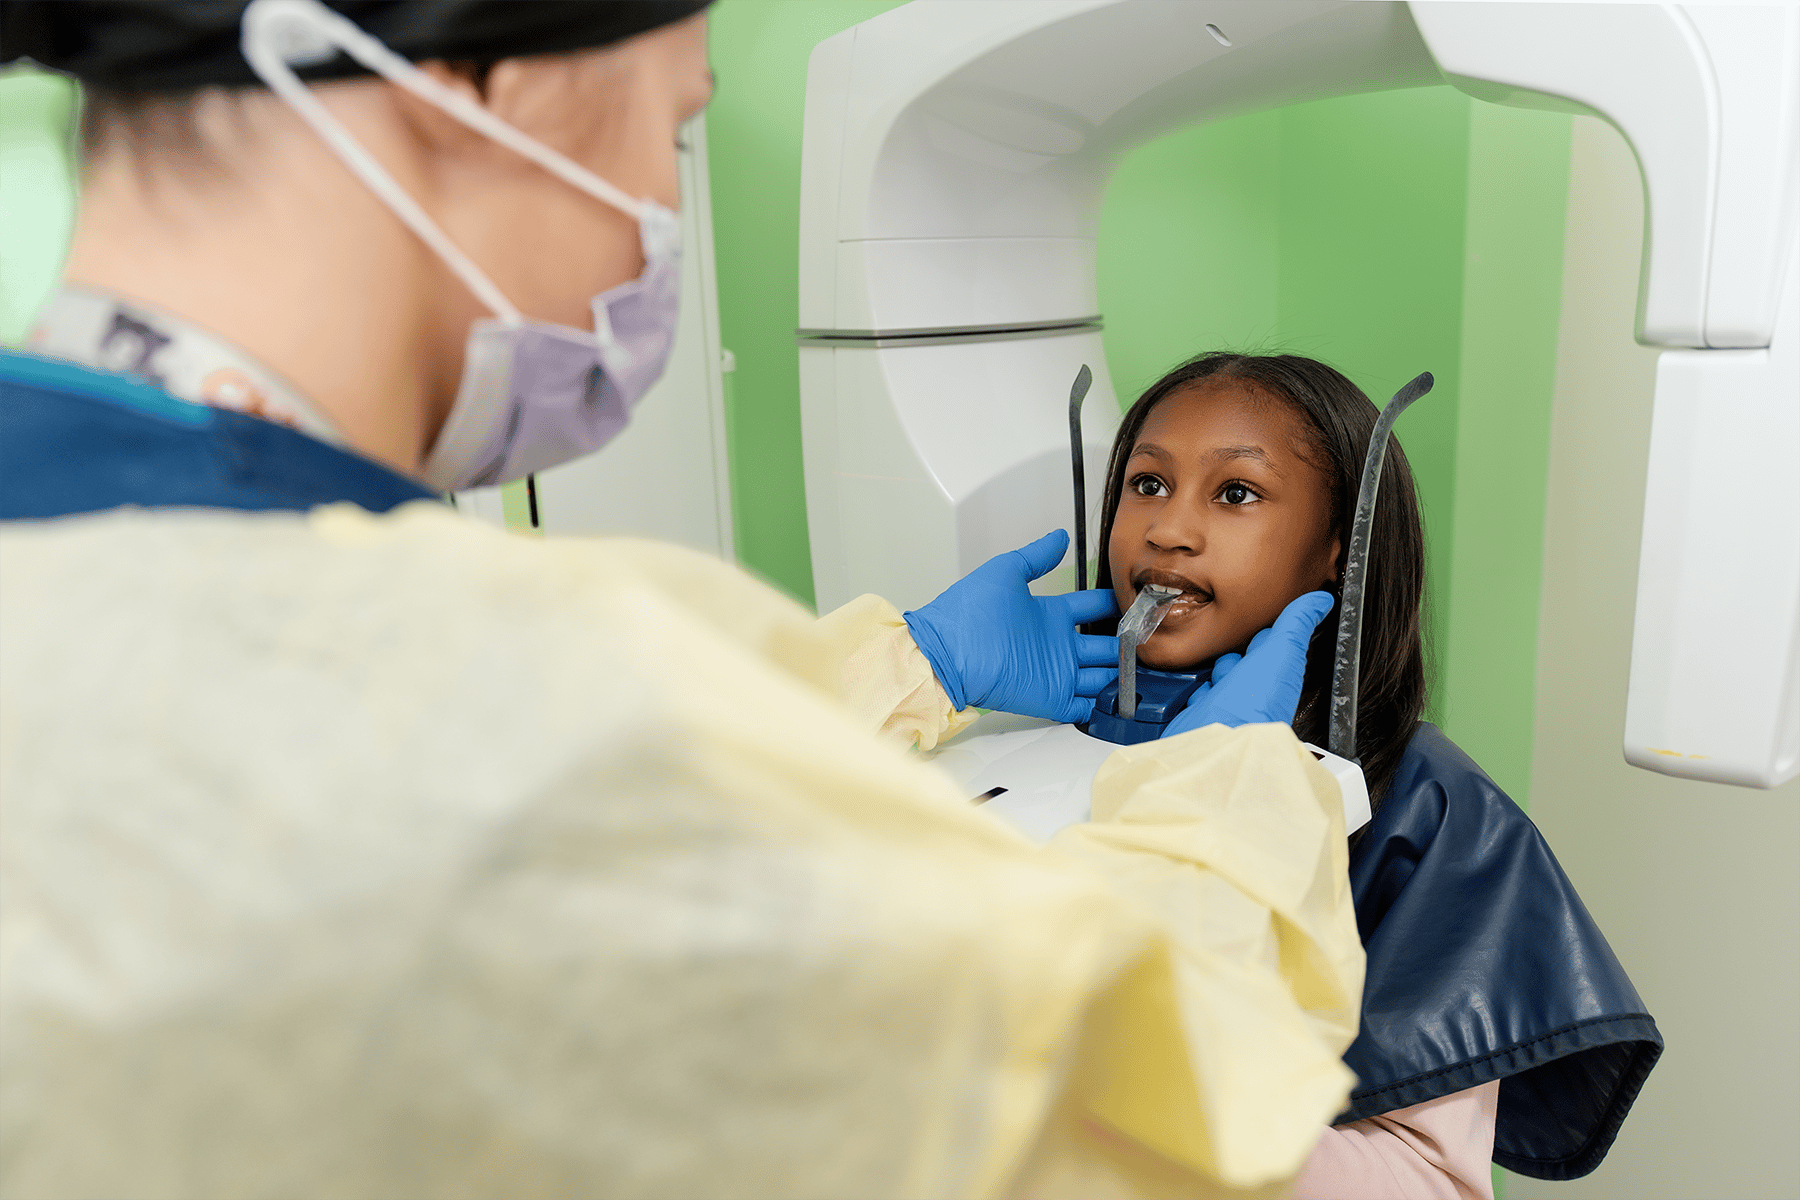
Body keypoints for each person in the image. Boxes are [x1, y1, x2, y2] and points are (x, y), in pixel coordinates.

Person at [0, 4, 1369, 1196]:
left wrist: (914, 669)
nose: (655, 218)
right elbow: (1115, 1126)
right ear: (506, 88)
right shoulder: (536, 715)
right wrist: (1225, 809)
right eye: (673, 125)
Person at [1085, 352, 1663, 1197]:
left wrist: (1148, 1133)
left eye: (1235, 492)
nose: (1168, 529)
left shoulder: (1418, 811)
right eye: (1147, 484)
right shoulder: (1039, 737)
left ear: (1336, 551)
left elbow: (1427, 1177)